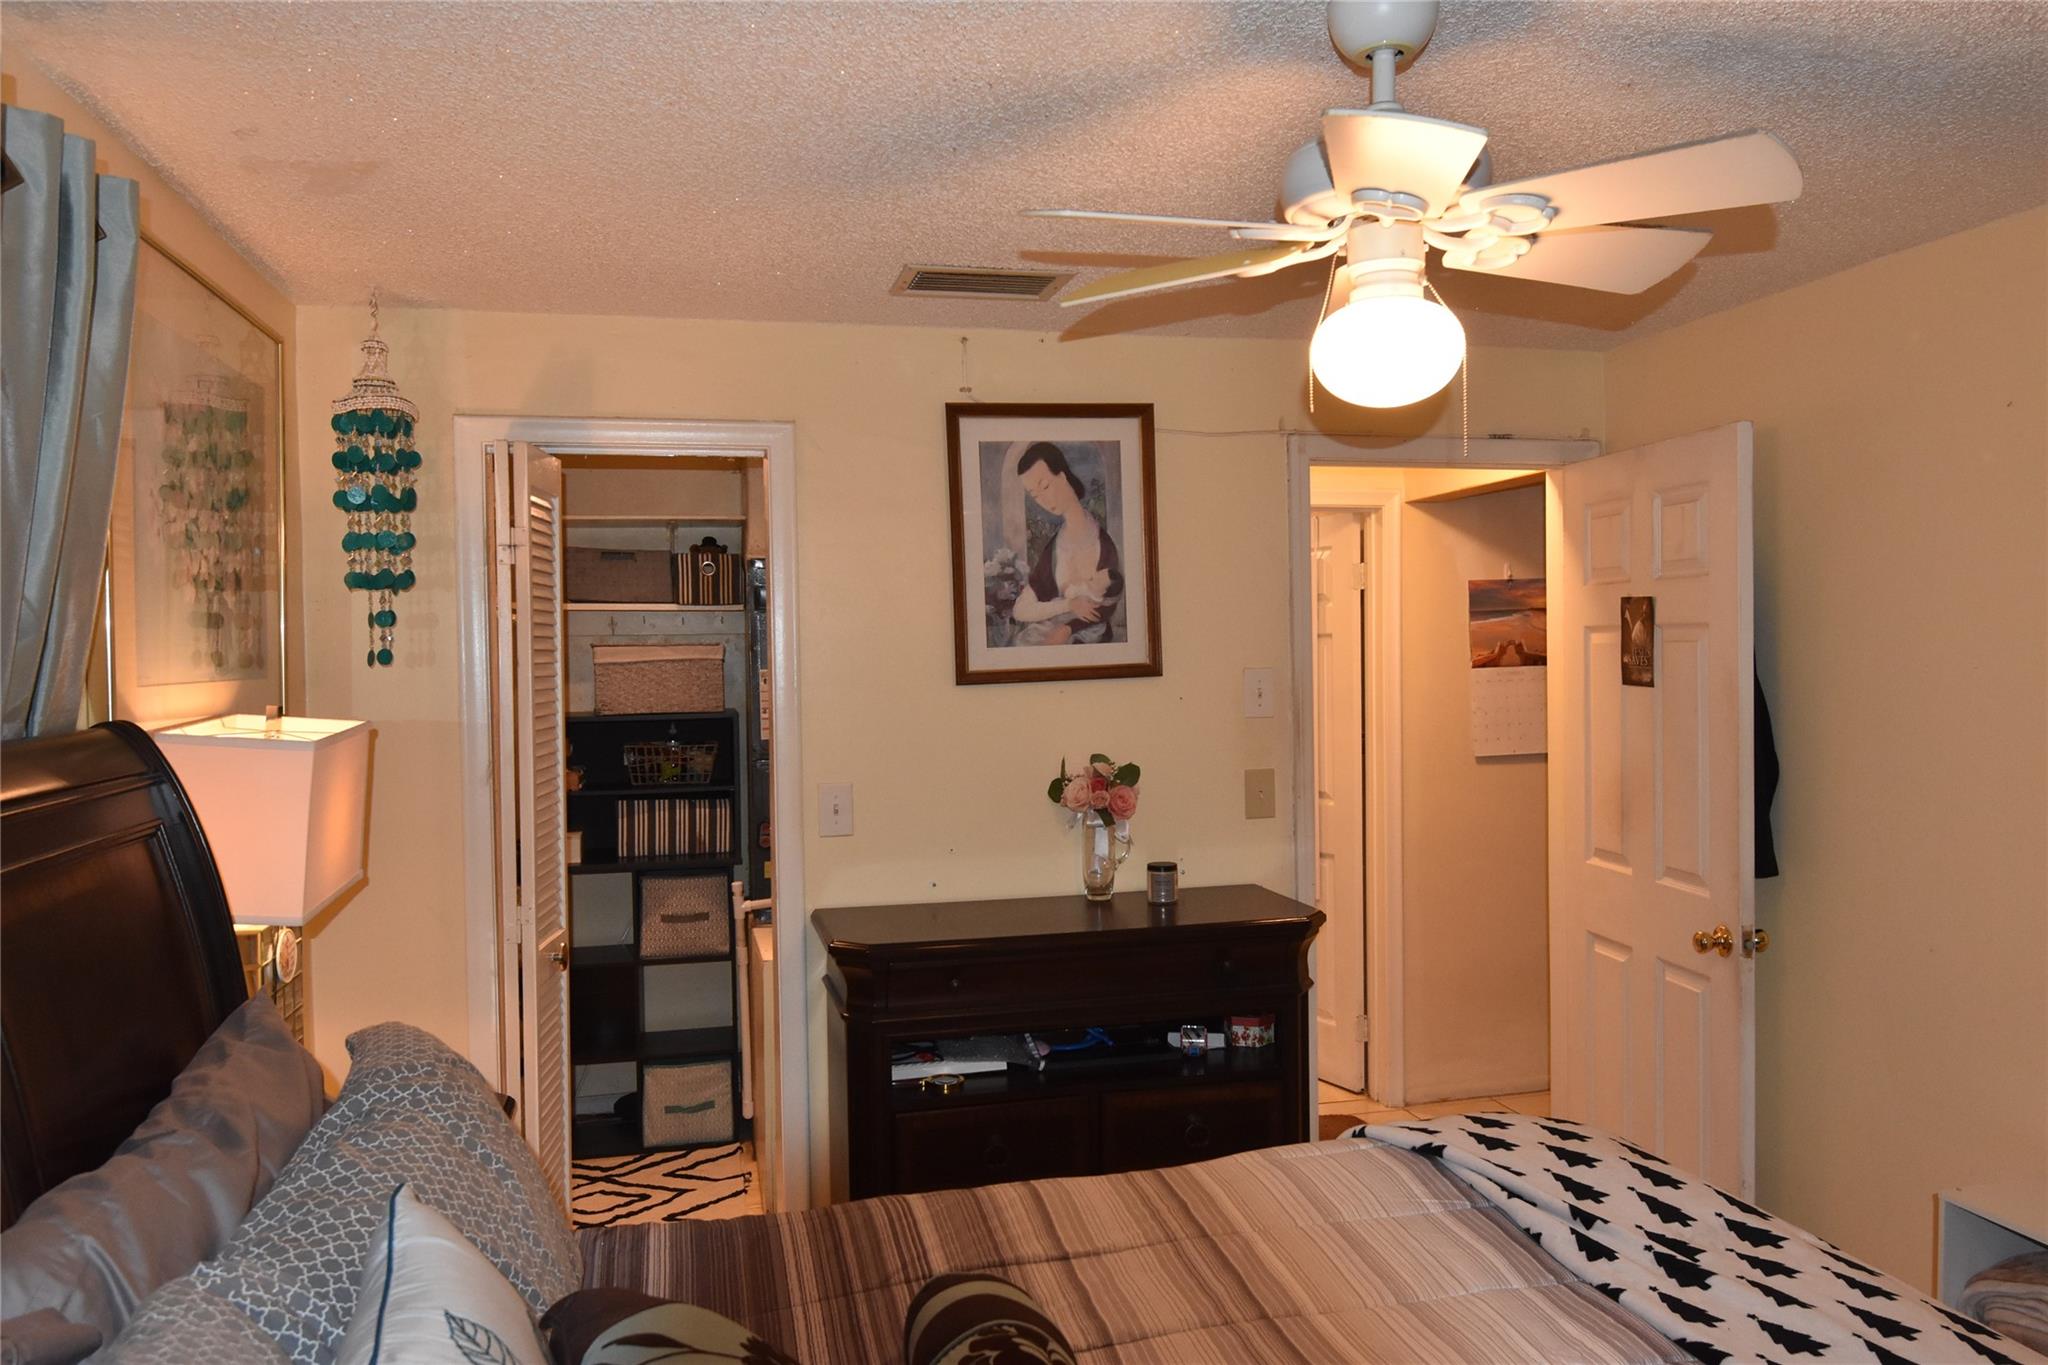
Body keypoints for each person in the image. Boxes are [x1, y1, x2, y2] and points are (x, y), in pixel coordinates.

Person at [1007, 442, 1123, 645]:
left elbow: (1108, 604)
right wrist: (1069, 605)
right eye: (1035, 495)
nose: (1043, 499)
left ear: (1062, 476)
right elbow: (1021, 610)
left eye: (1045, 486)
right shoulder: (1053, 550)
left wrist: (1068, 628)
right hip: (1051, 637)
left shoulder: (1103, 545)